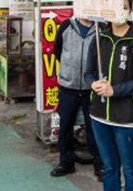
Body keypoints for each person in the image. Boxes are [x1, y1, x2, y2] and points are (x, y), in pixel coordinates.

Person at [85, 0, 133, 191]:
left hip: (127, 118)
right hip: (99, 115)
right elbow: (88, 72)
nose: (120, 11)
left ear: (130, 10)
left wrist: (114, 90)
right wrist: (93, 84)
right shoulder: (100, 38)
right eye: (116, 6)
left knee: (131, 168)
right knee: (109, 166)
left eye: (124, 6)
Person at [51, 13, 103, 180]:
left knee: (94, 128)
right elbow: (57, 51)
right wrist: (69, 71)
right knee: (65, 126)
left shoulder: (100, 28)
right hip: (68, 87)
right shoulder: (66, 26)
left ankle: (100, 164)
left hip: (92, 88)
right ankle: (66, 162)